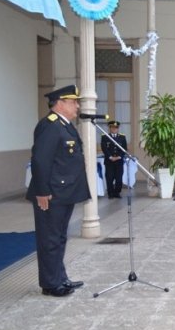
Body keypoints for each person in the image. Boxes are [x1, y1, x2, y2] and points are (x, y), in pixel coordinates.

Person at [26, 85, 90, 297]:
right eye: (74, 102)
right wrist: (42, 192)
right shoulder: (50, 126)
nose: (77, 106)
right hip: (51, 194)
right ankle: (50, 284)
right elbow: (40, 161)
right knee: (50, 239)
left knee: (60, 237)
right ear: (60, 103)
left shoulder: (65, 125)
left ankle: (60, 277)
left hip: (64, 193)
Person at [100, 120, 127, 199]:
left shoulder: (122, 137)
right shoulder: (104, 137)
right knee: (109, 178)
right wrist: (110, 157)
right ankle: (110, 193)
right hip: (109, 161)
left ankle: (117, 193)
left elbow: (124, 149)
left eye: (116, 128)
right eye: (113, 128)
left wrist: (119, 156)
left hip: (119, 161)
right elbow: (104, 148)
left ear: (118, 128)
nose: (114, 129)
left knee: (119, 178)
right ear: (110, 128)